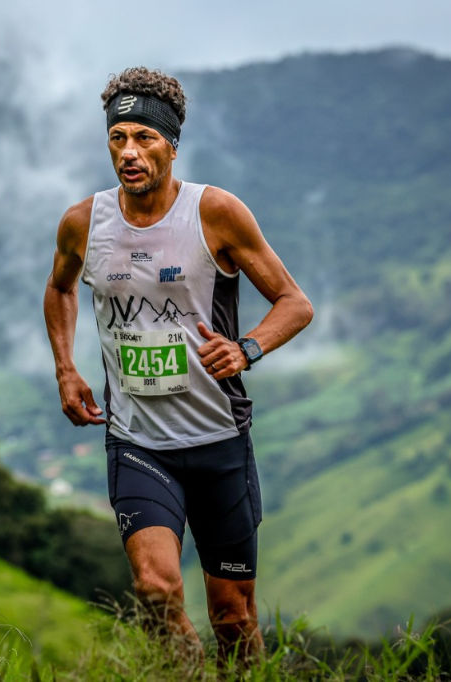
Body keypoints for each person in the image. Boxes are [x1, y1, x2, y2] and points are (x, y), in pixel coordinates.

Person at [43, 66, 314, 667]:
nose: (129, 153)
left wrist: (246, 348)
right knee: (156, 589)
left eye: (144, 138)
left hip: (219, 441)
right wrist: (66, 367)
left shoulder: (215, 214)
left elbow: (295, 304)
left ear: (171, 144)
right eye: (118, 139)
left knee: (233, 616)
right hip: (138, 441)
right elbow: (59, 288)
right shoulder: (84, 223)